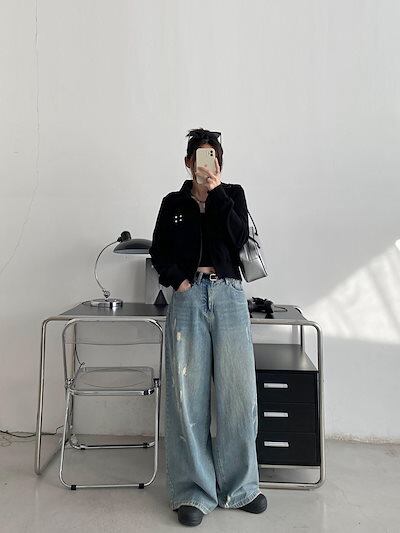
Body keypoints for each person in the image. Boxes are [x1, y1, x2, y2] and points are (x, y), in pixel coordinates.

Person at [149, 128, 267, 527]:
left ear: (219, 162)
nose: (205, 163)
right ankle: (193, 492)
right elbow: (159, 249)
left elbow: (238, 238)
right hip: (188, 298)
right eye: (199, 157)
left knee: (238, 394)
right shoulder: (173, 202)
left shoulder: (232, 195)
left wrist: (216, 193)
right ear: (187, 162)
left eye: (212, 156)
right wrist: (178, 281)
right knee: (187, 395)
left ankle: (241, 487)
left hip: (229, 294)